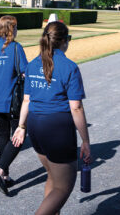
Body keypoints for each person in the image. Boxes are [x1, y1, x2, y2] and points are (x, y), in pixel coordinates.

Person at [12, 22, 91, 215]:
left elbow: (27, 100)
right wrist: (86, 140)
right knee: (63, 187)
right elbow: (76, 107)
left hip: (35, 126)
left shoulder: (33, 64)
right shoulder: (69, 67)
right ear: (63, 41)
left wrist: (21, 126)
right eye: (68, 39)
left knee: (53, 177)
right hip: (57, 128)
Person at [0, 15, 29, 195]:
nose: (17, 31)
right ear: (10, 29)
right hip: (12, 100)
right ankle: (0, 170)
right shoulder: (15, 48)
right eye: (15, 28)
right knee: (19, 136)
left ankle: (5, 175)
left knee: (2, 135)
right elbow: (24, 71)